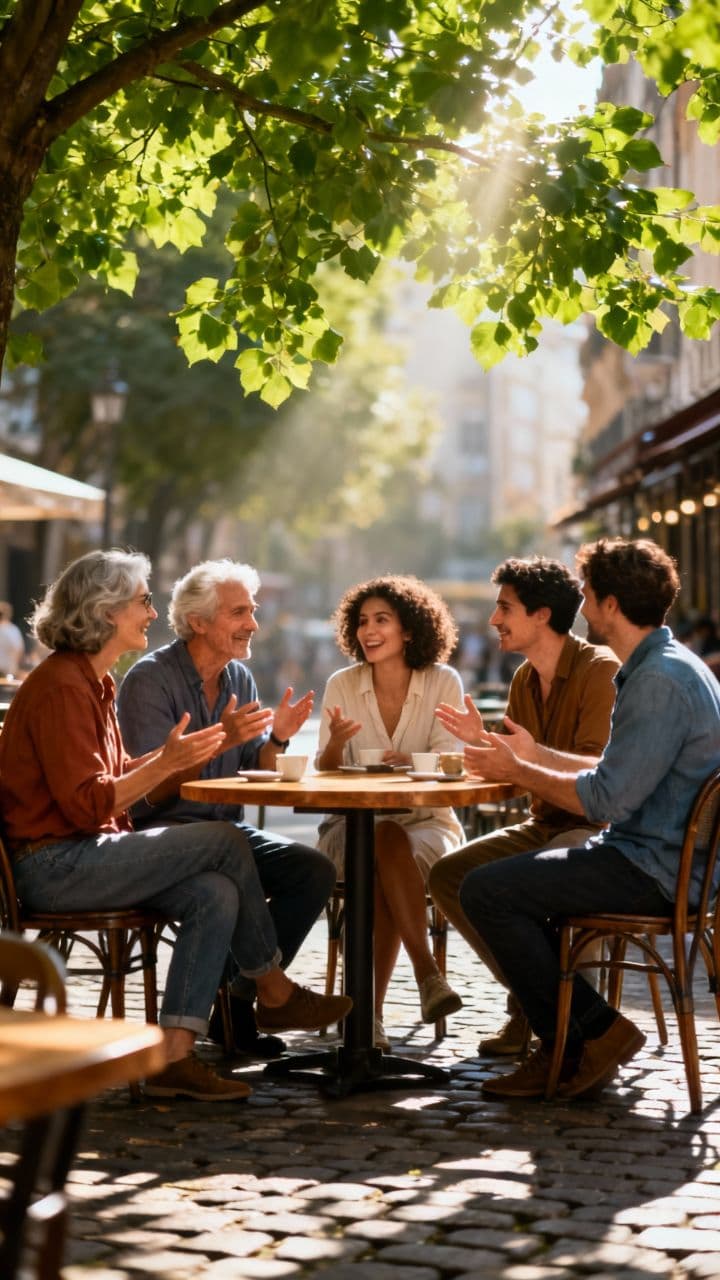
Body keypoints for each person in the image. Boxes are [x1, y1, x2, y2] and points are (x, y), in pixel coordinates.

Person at [0, 551, 351, 1103]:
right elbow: (90, 805)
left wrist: (179, 754)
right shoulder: (66, 687)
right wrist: (168, 764)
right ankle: (274, 989)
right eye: (141, 602)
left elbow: (110, 779)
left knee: (213, 890)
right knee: (226, 841)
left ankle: (174, 1057)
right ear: (105, 611)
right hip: (53, 864)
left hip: (88, 850)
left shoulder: (94, 682)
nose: (149, 612)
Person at [457, 537, 720, 1101]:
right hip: (660, 858)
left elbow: (604, 799)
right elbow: (619, 768)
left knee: (487, 891)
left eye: (590, 596)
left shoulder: (655, 681)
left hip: (652, 869)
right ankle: (570, 1043)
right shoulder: (667, 667)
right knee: (507, 885)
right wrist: (534, 755)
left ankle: (592, 1035)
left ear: (611, 606)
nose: (584, 606)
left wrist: (519, 771)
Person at [117, 558, 337, 1060]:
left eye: (253, 611)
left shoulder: (239, 676)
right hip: (159, 837)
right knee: (229, 857)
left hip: (227, 832)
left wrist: (279, 735)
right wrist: (219, 742)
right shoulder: (150, 680)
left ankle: (239, 997)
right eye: (240, 612)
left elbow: (254, 764)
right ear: (199, 622)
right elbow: (150, 786)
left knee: (312, 870)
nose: (253, 624)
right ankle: (265, 994)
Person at [430, 557, 619, 1055]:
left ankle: (567, 1030)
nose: (494, 620)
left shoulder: (601, 671)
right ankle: (534, 1002)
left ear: (541, 615)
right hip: (544, 824)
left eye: (505, 608)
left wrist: (524, 756)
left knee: (533, 881)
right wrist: (478, 748)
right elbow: (516, 777)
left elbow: (599, 772)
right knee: (450, 875)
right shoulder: (523, 679)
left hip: (597, 828)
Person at [315, 574, 465, 1049]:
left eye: (382, 619)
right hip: (348, 826)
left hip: (427, 825)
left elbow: (450, 762)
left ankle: (365, 1020)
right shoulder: (343, 684)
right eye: (362, 621)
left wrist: (417, 765)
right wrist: (336, 747)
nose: (368, 630)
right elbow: (323, 771)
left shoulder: (443, 681)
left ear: (410, 630)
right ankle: (426, 972)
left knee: (385, 850)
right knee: (380, 843)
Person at [0, 601, 24, 676]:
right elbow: (19, 651)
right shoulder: (13, 630)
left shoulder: (13, 630)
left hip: (7, 671)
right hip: (8, 670)